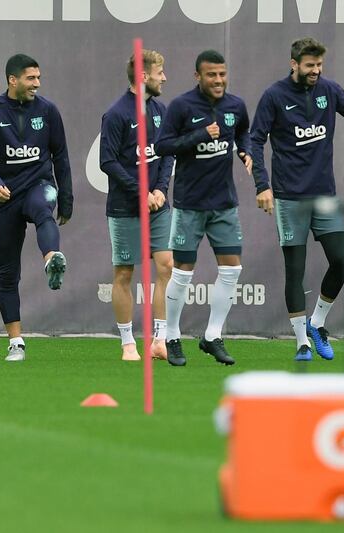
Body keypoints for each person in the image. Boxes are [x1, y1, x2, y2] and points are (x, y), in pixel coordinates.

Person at [250, 37, 344, 362]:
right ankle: (301, 342)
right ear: (294, 64)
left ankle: (317, 322)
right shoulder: (274, 96)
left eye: (319, 65)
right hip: (290, 198)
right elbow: (255, 140)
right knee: (295, 270)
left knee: (341, 260)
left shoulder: (329, 90)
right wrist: (262, 185)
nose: (316, 71)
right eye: (310, 66)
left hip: (324, 197)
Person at [0, 54, 73, 362]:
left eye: (39, 78)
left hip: (38, 184)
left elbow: (61, 155)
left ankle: (51, 257)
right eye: (31, 78)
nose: (37, 84)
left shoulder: (48, 110)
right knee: (7, 274)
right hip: (4, 196)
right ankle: (16, 342)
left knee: (43, 208)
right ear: (12, 80)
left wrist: (66, 197)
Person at [156, 50, 252, 366]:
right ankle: (171, 336)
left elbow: (243, 133)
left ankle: (212, 336)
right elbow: (162, 146)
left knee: (232, 269)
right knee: (182, 274)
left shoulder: (235, 106)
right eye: (212, 75)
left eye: (222, 74)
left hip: (224, 202)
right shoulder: (182, 106)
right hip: (190, 204)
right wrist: (200, 135)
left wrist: (246, 152)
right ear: (198, 76)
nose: (218, 80)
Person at [100, 49, 174, 361]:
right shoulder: (116, 114)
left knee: (167, 265)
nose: (164, 78)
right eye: (160, 72)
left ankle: (160, 339)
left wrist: (159, 189)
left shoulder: (161, 110)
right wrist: (141, 191)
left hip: (158, 206)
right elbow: (108, 162)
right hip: (125, 208)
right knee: (124, 275)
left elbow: (167, 153)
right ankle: (128, 343)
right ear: (144, 76)